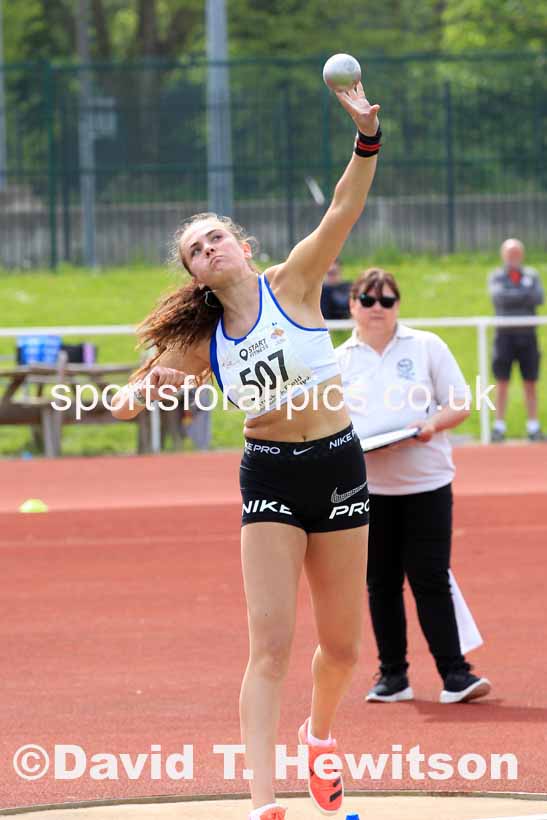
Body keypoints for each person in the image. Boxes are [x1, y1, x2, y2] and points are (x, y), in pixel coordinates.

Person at [111, 82, 382, 820]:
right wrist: (149, 387)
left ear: (242, 246)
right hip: (269, 477)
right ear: (194, 274)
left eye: (215, 237)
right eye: (195, 249)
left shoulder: (291, 283)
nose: (208, 249)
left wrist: (365, 136)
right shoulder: (202, 343)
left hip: (337, 465)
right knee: (270, 646)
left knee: (344, 649)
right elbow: (127, 398)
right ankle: (264, 805)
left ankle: (318, 739)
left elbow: (342, 209)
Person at [336, 268, 492, 704]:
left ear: (398, 305)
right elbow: (329, 421)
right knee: (380, 583)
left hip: (427, 482)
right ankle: (393, 677)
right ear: (352, 306)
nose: (377, 309)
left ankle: (455, 674)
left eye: (387, 301)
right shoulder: (339, 361)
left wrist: (430, 424)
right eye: (367, 300)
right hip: (369, 490)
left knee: (430, 577)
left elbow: (460, 402)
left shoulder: (426, 346)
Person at [488, 238, 545, 442]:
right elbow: (499, 298)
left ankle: (533, 426)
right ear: (503, 255)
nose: (513, 258)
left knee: (530, 381)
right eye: (509, 254)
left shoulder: (532, 276)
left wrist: (516, 295)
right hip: (504, 336)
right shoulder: (496, 276)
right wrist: (523, 294)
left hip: (528, 336)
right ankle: (499, 427)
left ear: (522, 255)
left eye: (516, 254)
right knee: (501, 382)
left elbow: (538, 298)